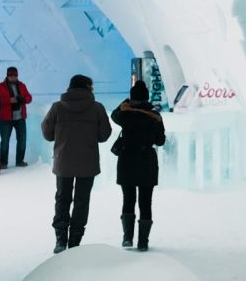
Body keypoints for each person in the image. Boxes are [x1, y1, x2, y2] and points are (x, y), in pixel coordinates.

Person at [41, 74, 111, 253]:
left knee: (62, 198)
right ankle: (75, 241)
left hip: (63, 161)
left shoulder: (57, 107)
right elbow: (104, 135)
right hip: (87, 162)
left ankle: (60, 240)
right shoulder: (97, 108)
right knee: (82, 201)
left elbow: (47, 134)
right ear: (88, 88)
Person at [110, 80, 166, 250]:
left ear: (132, 97)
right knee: (146, 201)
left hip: (127, 159)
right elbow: (160, 141)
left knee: (128, 199)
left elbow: (114, 114)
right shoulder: (154, 116)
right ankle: (143, 241)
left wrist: (126, 103)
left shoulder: (125, 115)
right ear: (147, 97)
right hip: (147, 160)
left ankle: (127, 238)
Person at [0, 66, 33, 168]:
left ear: (17, 75)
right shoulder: (0, 87)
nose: (13, 77)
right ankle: (3, 162)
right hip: (6, 118)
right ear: (7, 76)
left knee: (22, 140)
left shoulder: (22, 85)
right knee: (5, 141)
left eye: (15, 75)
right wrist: (9, 100)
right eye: (11, 75)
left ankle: (19, 161)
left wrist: (23, 100)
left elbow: (29, 97)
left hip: (20, 117)